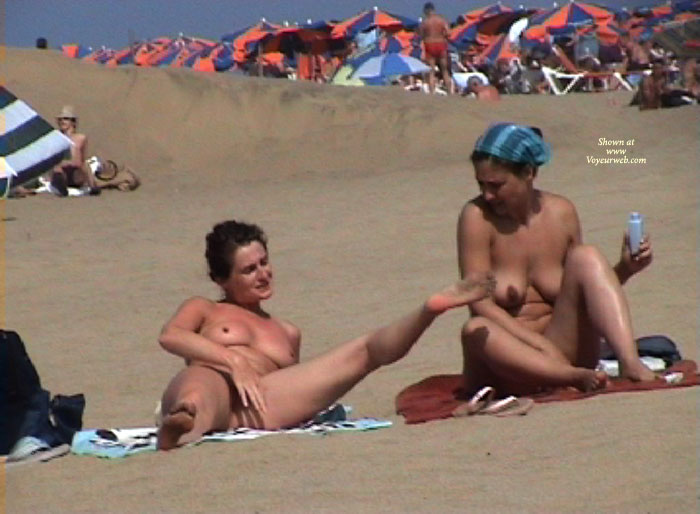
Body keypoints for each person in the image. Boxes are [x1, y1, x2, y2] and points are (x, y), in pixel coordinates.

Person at [156, 220, 495, 450]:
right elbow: (170, 336)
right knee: (200, 387)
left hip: (261, 405)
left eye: (264, 263)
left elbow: (296, 388)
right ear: (221, 279)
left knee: (364, 351)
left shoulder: (287, 331)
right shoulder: (204, 308)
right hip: (213, 382)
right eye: (249, 270)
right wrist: (231, 360)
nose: (263, 274)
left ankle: (429, 310)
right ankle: (183, 423)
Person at [456, 123, 657, 397]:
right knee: (474, 329)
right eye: (481, 185)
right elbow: (478, 303)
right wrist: (539, 346)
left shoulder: (561, 212)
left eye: (496, 185)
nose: (487, 195)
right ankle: (572, 377)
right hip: (508, 362)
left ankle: (630, 363)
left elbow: (586, 293)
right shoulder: (477, 218)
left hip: (563, 346)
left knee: (587, 256)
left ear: (529, 173)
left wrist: (625, 269)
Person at [49, 106, 100, 196]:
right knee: (57, 170)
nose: (62, 121)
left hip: (76, 173)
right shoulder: (55, 138)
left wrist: (91, 180)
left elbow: (83, 160)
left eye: (65, 119)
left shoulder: (81, 138)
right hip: (62, 172)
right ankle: (61, 188)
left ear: (72, 122)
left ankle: (92, 186)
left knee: (81, 167)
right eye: (60, 119)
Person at [419, 2, 453, 95]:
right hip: (441, 43)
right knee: (445, 70)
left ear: (426, 11)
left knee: (431, 71)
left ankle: (432, 93)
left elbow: (421, 35)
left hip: (429, 44)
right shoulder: (442, 20)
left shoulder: (425, 22)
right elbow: (449, 33)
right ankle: (450, 92)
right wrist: (443, 36)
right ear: (434, 10)